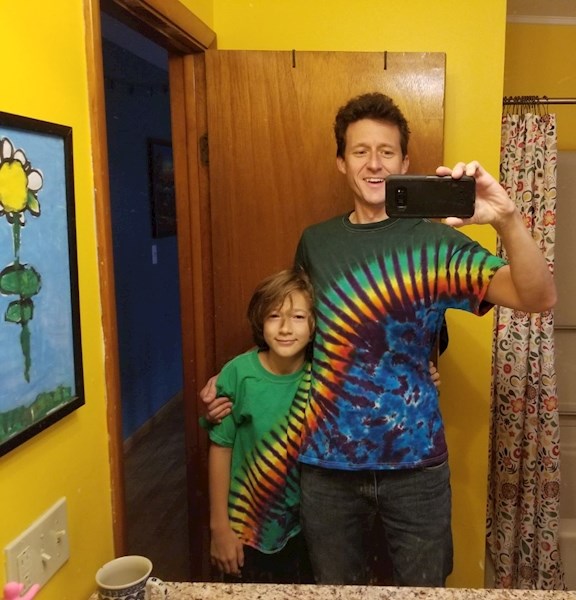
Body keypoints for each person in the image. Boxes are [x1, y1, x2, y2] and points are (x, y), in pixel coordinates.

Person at [204, 92, 556, 587]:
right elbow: (298, 329)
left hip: (415, 468)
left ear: (404, 163)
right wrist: (234, 380)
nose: (374, 163)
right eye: (360, 151)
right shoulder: (315, 242)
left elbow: (537, 296)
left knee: (423, 592)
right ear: (341, 162)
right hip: (325, 466)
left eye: (386, 152)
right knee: (335, 593)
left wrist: (506, 217)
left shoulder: (434, 243)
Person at [205, 268, 315, 583]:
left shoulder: (323, 375)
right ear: (260, 321)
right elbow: (221, 448)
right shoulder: (238, 374)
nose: (285, 328)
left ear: (313, 325)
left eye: (297, 317)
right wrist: (219, 528)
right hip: (246, 529)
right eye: (274, 316)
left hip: (305, 530)